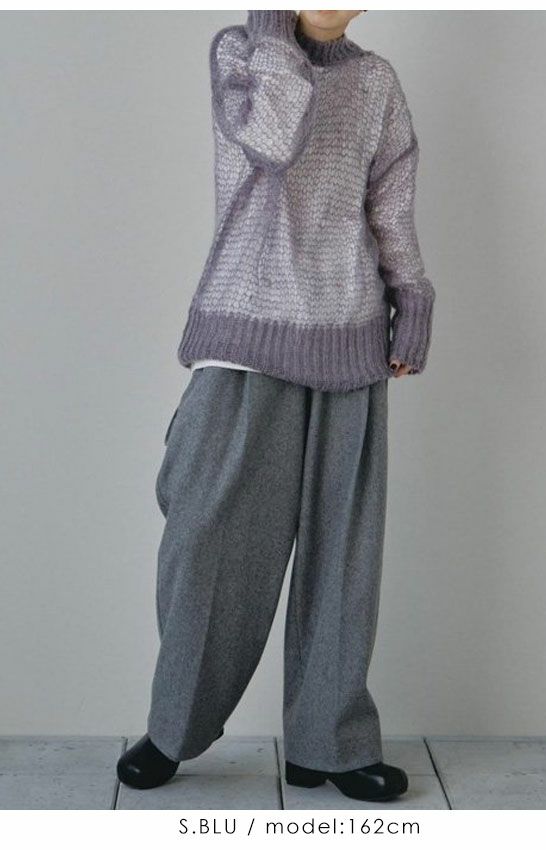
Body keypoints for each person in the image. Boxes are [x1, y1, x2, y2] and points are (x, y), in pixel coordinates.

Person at [117, 9, 435, 804]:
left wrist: (412, 300)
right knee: (206, 540)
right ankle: (173, 727)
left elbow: (390, 205)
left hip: (350, 337)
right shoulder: (242, 50)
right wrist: (276, 28)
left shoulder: (376, 80)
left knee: (343, 558)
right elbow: (271, 139)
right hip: (246, 336)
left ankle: (329, 745)